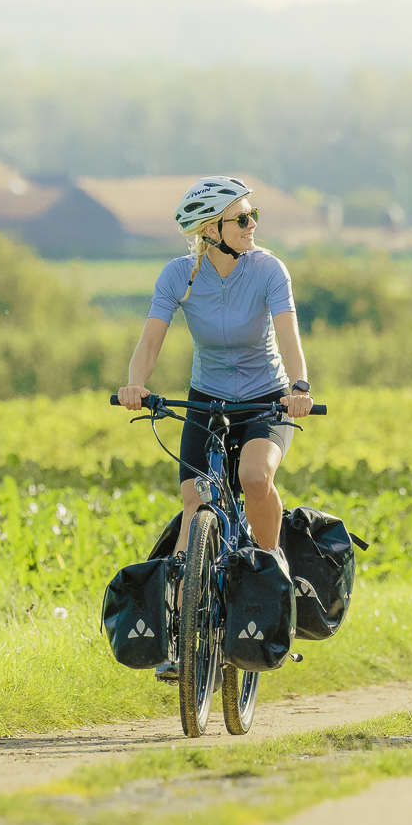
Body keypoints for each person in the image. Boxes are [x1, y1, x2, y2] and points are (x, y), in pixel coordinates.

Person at [116, 176, 315, 565]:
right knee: (195, 498)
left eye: (252, 215)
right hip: (208, 401)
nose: (253, 224)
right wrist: (134, 384)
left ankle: (270, 567)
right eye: (241, 218)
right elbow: (151, 341)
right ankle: (181, 602)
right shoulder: (178, 275)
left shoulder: (269, 270)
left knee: (255, 478)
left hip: (267, 399)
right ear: (211, 230)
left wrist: (299, 388)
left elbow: (288, 336)